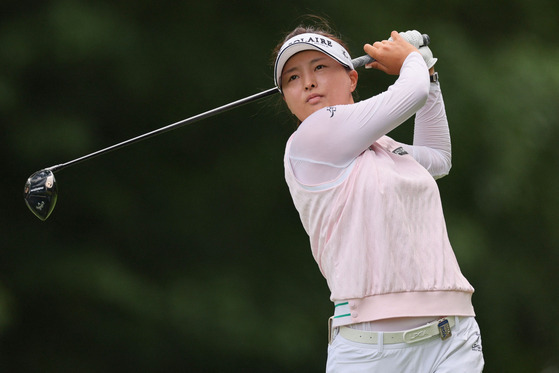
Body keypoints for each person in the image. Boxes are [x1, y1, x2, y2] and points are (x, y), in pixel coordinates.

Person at [272, 20, 485, 372]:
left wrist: (428, 75)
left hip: (453, 338)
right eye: (292, 77)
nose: (308, 81)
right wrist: (412, 59)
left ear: (352, 77)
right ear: (286, 97)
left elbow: (437, 157)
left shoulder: (382, 148)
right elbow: (409, 92)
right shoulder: (310, 139)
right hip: (369, 354)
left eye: (320, 67)